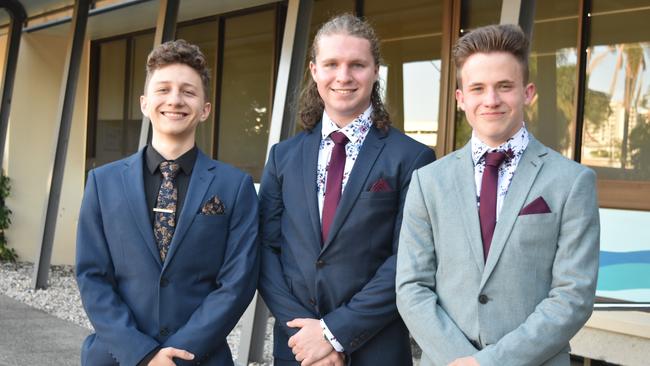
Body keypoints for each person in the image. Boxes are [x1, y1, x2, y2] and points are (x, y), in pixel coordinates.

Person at [396, 24, 600, 366]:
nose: (491, 100)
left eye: (504, 87)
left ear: (527, 92)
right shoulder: (427, 181)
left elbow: (573, 296)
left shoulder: (572, 181)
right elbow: (411, 287)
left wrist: (489, 363)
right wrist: (459, 359)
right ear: (461, 99)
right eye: (477, 88)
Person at [257, 13, 436, 366]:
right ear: (314, 71)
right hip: (298, 349)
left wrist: (334, 333)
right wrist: (305, 336)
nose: (343, 76)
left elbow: (407, 260)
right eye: (331, 64)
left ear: (375, 71)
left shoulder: (413, 158)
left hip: (376, 348)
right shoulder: (283, 156)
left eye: (357, 64)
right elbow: (265, 249)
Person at [76, 39, 259, 366]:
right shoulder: (102, 183)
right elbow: (92, 276)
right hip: (117, 356)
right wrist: (142, 353)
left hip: (200, 357)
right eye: (163, 89)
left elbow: (237, 283)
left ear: (205, 110)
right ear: (144, 104)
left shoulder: (235, 186)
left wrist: (179, 355)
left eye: (188, 91)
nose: (175, 100)